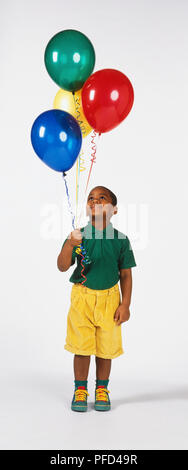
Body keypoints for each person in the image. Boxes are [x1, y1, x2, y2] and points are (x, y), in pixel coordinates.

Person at [57, 186, 136, 412]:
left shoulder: (121, 240)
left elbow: (126, 274)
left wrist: (125, 304)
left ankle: (102, 389)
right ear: (87, 207)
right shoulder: (78, 236)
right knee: (81, 347)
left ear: (114, 209)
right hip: (82, 298)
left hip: (110, 300)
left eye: (103, 198)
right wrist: (70, 246)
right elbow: (62, 266)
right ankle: (80, 389)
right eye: (91, 198)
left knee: (105, 348)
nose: (96, 201)